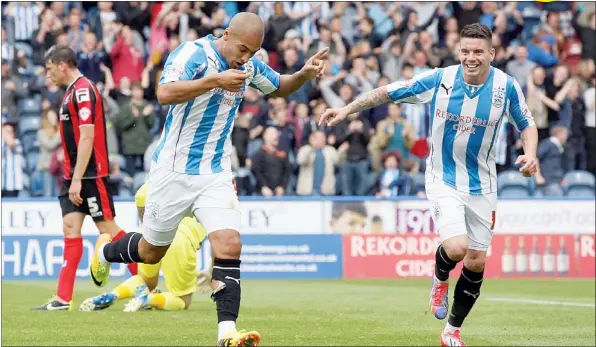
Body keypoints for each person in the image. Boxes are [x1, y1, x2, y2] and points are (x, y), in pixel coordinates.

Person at [89, 12, 328, 346]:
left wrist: (303, 73)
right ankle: (105, 251)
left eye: (253, 52)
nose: (245, 58)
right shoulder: (193, 54)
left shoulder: (249, 67)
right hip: (172, 171)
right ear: (227, 34)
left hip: (214, 172)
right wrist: (215, 80)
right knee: (150, 252)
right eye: (243, 49)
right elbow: (164, 93)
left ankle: (226, 333)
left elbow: (280, 88)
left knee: (230, 243)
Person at [319, 23, 539, 346]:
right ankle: (439, 278)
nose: (471, 58)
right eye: (465, 51)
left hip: (483, 184)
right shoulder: (441, 80)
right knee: (456, 247)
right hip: (442, 178)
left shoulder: (506, 87)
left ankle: (452, 331)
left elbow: (527, 124)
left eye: (478, 52)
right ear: (458, 51)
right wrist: (347, 108)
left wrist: (530, 154)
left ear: (492, 53)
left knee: (477, 261)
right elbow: (388, 92)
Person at [33, 46, 137, 311]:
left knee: (109, 230)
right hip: (73, 175)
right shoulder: (70, 92)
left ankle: (146, 283)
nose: (48, 75)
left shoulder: (83, 90)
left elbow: (88, 137)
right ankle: (62, 298)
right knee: (70, 228)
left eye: (49, 68)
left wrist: (78, 178)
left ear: (62, 65)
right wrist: (72, 177)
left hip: (90, 174)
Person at [79, 183, 208, 312]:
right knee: (183, 300)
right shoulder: (208, 193)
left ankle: (114, 294)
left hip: (151, 233)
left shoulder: (162, 181)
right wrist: (211, 271)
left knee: (146, 281)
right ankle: (147, 300)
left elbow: (142, 200)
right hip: (181, 240)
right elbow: (221, 242)